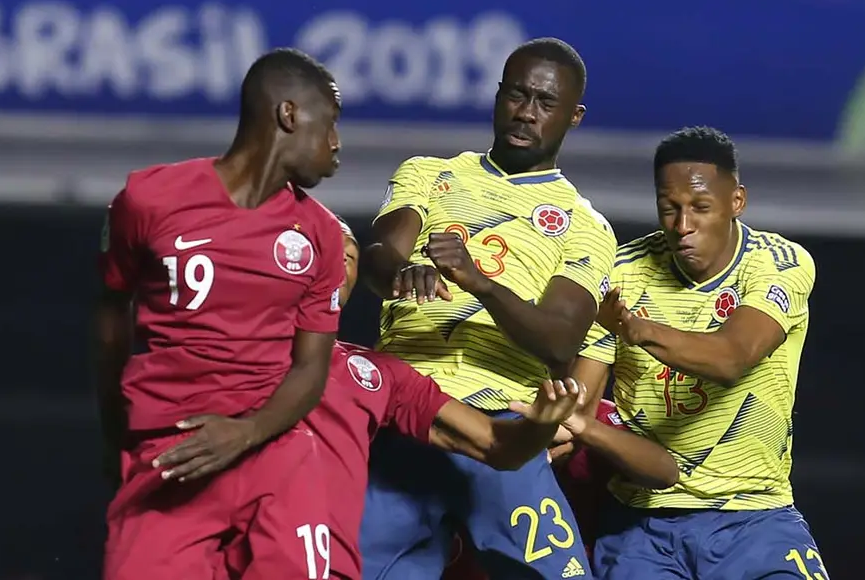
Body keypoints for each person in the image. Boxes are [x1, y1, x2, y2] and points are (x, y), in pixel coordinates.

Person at [357, 37, 617, 579]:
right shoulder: (428, 172)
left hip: (501, 427)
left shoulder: (586, 226)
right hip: (408, 414)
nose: (526, 112)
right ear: (497, 96)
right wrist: (400, 271)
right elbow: (379, 253)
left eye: (546, 103)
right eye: (517, 95)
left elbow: (561, 340)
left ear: (575, 116)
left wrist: (479, 283)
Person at [222, 216, 591, 580]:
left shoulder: (378, 375)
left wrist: (539, 425)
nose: (336, 266)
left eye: (348, 257)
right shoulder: (215, 356)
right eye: (321, 251)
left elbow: (495, 444)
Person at [97, 47, 347, 579]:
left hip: (275, 449)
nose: (336, 145)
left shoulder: (321, 234)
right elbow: (109, 314)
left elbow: (311, 370)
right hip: (172, 451)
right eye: (330, 123)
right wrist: (117, 429)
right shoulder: (148, 199)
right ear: (288, 114)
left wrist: (247, 432)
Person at [571, 126, 826, 579]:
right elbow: (581, 407)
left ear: (737, 202)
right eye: (669, 208)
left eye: (700, 208)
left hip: (756, 517)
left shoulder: (778, 262)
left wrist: (638, 329)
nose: (682, 226)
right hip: (641, 523)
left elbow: (732, 357)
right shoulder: (619, 273)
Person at [442, 398, 679, 579]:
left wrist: (583, 431)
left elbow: (666, 472)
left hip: (574, 556)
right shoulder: (501, 414)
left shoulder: (601, 419)